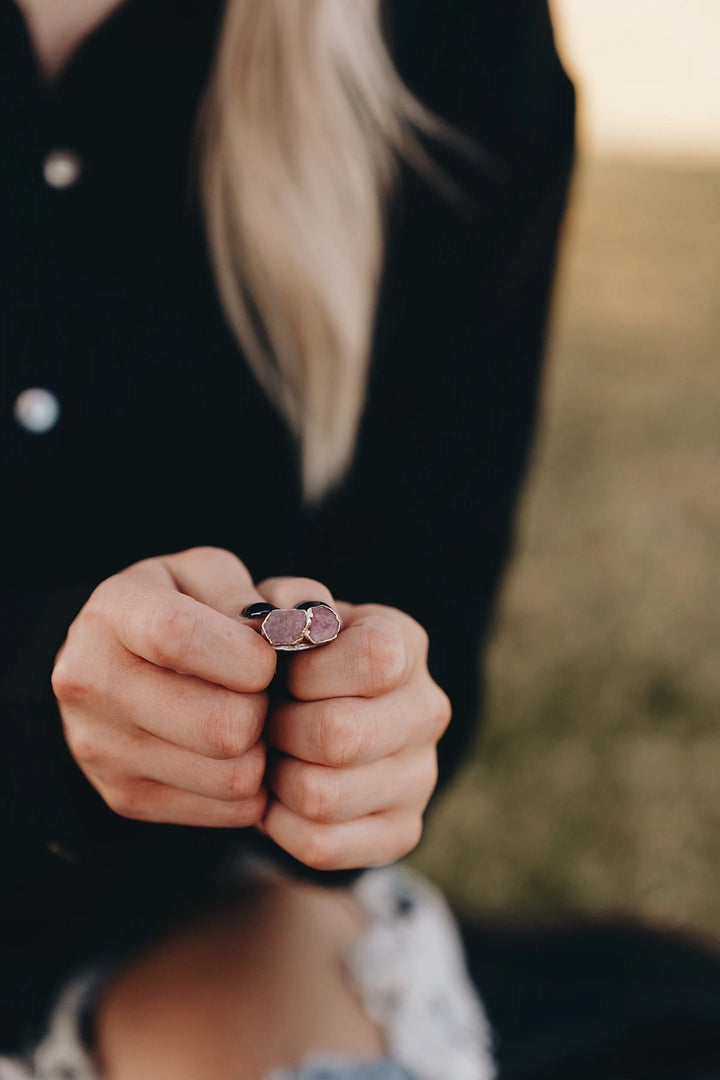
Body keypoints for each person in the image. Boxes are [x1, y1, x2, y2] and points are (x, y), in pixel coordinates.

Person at [0, 0, 576, 1077]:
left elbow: (427, 581)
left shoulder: (457, 40)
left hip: (178, 919)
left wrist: (360, 719)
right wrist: (38, 698)